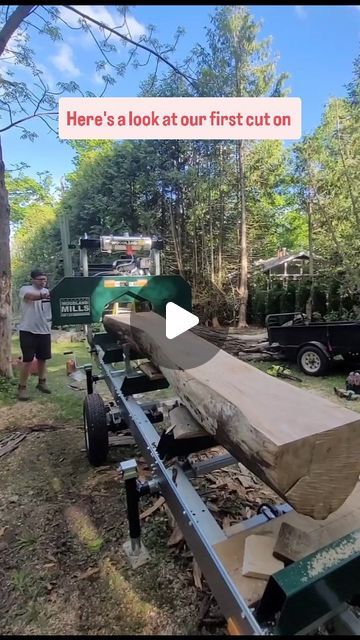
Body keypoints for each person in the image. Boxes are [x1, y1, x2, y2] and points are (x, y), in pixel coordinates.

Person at [17, 269, 52, 401]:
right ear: (33, 280)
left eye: (44, 279)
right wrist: (45, 296)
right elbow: (31, 298)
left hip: (44, 330)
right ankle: (22, 388)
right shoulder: (25, 289)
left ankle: (42, 382)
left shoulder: (47, 291)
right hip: (27, 330)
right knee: (27, 360)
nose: (43, 282)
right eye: (40, 279)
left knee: (43, 358)